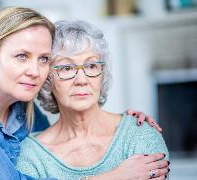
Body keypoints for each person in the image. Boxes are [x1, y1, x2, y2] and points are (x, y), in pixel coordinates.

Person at [0, 6, 162, 179]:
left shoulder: (24, 111)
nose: (35, 71)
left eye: (44, 58)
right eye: (22, 56)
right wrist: (116, 176)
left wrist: (124, 121)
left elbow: (57, 150)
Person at [16, 21, 169, 180]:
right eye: (66, 68)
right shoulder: (31, 154)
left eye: (91, 66)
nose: (82, 80)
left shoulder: (138, 133)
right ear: (47, 79)